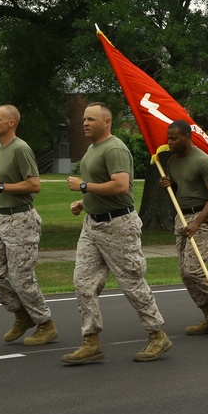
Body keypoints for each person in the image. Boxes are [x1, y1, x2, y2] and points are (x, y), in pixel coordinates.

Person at [62, 102, 172, 364]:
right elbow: (102, 187)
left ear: (107, 122)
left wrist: (84, 187)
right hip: (93, 225)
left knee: (131, 282)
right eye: (84, 119)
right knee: (83, 283)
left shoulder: (115, 148)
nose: (85, 123)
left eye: (91, 119)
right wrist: (85, 202)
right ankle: (91, 341)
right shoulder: (92, 148)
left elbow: (121, 186)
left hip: (118, 226)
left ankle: (158, 335)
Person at [0, 104, 56, 347]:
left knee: (22, 278)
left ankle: (45, 325)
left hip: (21, 221)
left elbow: (34, 185)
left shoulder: (21, 148)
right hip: (0, 219)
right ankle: (22, 314)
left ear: (11, 122)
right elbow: (0, 185)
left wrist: (2, 188)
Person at [158, 120, 208, 336]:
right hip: (182, 217)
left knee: (195, 269)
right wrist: (168, 187)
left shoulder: (203, 161)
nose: (170, 142)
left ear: (186, 137)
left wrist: (197, 222)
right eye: (168, 138)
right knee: (185, 272)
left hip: (203, 218)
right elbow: (179, 191)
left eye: (174, 138)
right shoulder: (172, 162)